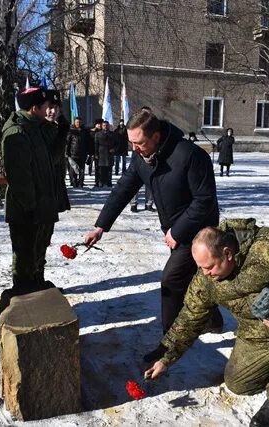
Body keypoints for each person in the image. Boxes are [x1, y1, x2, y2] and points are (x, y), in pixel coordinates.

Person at [144, 218, 269, 427]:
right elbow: (190, 316)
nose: (205, 273)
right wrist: (166, 357)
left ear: (228, 253)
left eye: (209, 267)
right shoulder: (206, 280)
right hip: (258, 336)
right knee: (239, 384)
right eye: (200, 268)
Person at [84, 110, 224, 362]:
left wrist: (177, 231)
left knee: (171, 281)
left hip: (199, 231)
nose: (135, 149)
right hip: (173, 230)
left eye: (140, 143)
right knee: (195, 278)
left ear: (157, 136)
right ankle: (213, 320)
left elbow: (204, 201)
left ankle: (168, 345)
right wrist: (100, 226)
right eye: (132, 143)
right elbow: (123, 190)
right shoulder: (142, 159)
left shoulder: (190, 155)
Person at [2, 87, 58, 294]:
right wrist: (32, 207)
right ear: (35, 108)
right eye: (46, 107)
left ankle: (35, 291)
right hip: (26, 210)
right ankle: (24, 298)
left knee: (35, 253)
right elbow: (20, 177)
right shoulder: (18, 132)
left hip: (39, 206)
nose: (49, 111)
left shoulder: (35, 129)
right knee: (24, 257)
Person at [39, 89, 71, 287]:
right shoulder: (40, 130)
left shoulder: (56, 128)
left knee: (44, 240)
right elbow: (52, 158)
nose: (53, 111)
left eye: (56, 107)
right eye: (49, 107)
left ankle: (39, 280)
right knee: (34, 244)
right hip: (39, 196)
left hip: (51, 194)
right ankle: (32, 283)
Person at [65, 116, 89, 187]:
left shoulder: (84, 131)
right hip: (73, 153)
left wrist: (88, 153)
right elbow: (68, 143)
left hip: (82, 153)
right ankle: (74, 182)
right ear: (74, 122)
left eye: (79, 122)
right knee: (73, 170)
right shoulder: (71, 131)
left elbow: (87, 143)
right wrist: (67, 152)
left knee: (82, 169)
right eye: (77, 122)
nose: (78, 123)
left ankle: (81, 182)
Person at [94, 120, 115, 187]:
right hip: (101, 154)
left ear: (108, 126)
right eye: (104, 125)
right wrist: (96, 154)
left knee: (109, 169)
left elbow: (118, 143)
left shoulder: (112, 134)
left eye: (106, 125)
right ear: (102, 126)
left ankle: (109, 182)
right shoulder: (98, 134)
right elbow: (96, 145)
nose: (105, 127)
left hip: (109, 154)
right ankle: (101, 182)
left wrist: (114, 149)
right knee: (101, 169)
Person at [89, 118, 103, 186]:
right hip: (93, 152)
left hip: (102, 152)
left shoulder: (103, 132)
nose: (99, 125)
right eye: (98, 124)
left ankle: (101, 181)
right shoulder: (92, 132)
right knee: (96, 168)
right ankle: (96, 181)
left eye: (100, 124)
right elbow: (90, 142)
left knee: (101, 168)